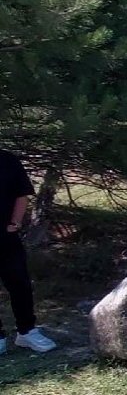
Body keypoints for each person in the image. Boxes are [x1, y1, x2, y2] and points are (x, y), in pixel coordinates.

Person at [0, 149, 57, 354]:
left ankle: (26, 332)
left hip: (6, 236)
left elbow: (21, 195)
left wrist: (15, 223)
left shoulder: (8, 160)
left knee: (20, 283)